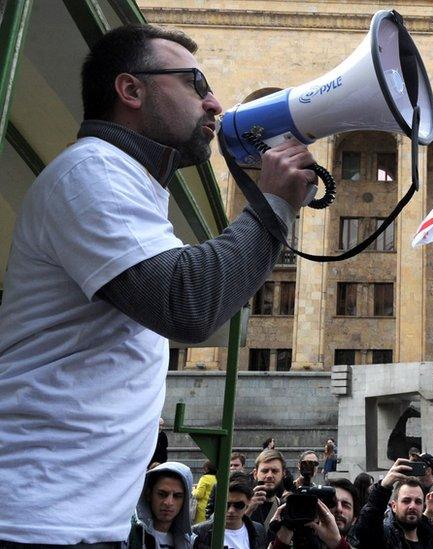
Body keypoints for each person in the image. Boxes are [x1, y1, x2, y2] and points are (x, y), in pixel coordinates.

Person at [0, 22, 319, 545]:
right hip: (34, 519)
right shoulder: (91, 172)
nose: (213, 102)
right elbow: (187, 301)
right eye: (195, 83)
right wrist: (273, 203)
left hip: (70, 518)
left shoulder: (127, 182)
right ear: (131, 90)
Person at [348, 458, 433, 548]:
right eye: (406, 501)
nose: (412, 506)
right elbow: (366, 529)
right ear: (394, 506)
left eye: (418, 502)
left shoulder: (432, 539)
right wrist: (383, 487)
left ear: (423, 507)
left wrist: (429, 513)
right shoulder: (385, 538)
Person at [129, 462, 194, 549]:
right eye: (162, 494)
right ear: (148, 494)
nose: (169, 502)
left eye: (177, 496)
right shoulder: (129, 536)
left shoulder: (190, 542)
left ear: (184, 500)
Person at [191, 482, 266, 549]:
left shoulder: (258, 530)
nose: (231, 511)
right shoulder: (198, 532)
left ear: (249, 503)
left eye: (238, 505)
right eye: (226, 505)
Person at [248, 448, 287, 527]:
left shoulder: (285, 508)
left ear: (283, 474)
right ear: (255, 474)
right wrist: (248, 509)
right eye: (265, 471)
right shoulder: (238, 504)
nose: (269, 476)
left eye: (274, 471)